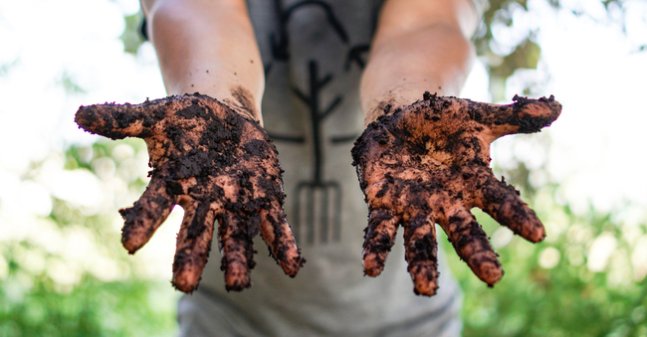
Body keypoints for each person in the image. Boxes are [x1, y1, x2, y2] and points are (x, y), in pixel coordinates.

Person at [75, 0, 561, 336]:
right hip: (232, 322)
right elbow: (195, 9)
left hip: (408, 322)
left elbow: (428, 20)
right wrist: (220, 103)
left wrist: (410, 106)